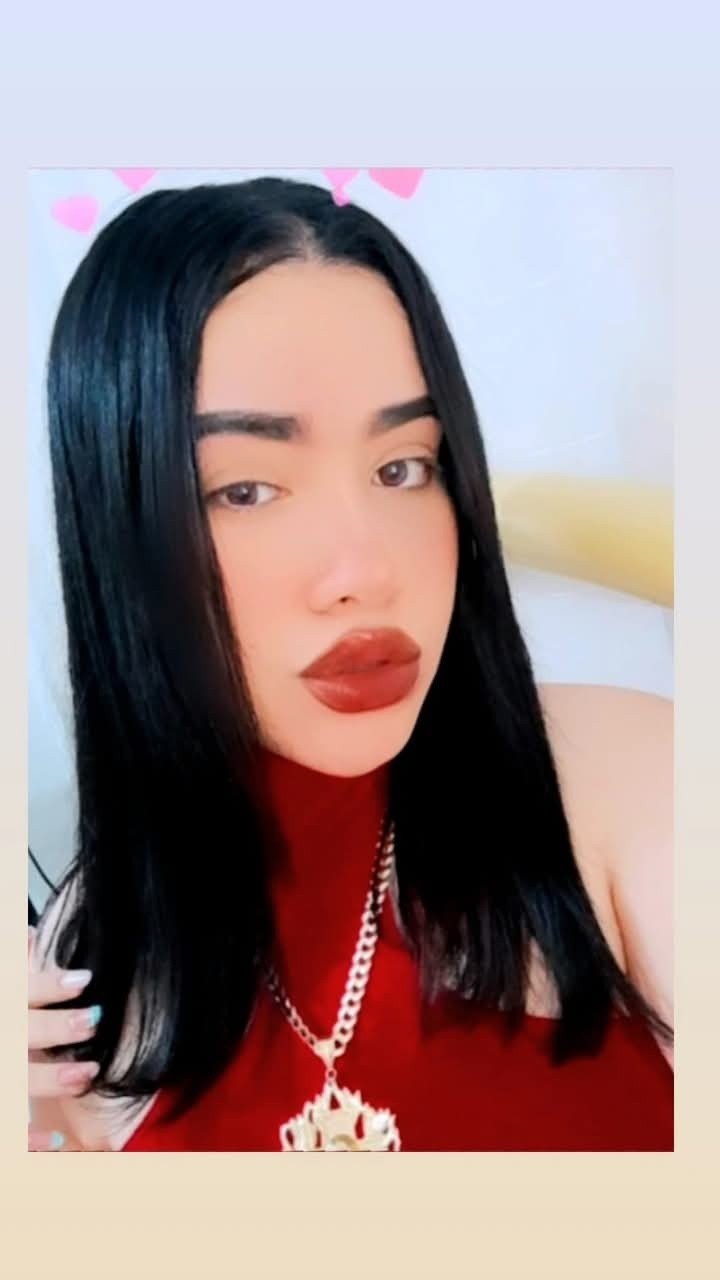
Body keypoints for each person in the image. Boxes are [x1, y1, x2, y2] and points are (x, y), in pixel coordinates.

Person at [28, 177, 673, 1152]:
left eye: (402, 467)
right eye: (246, 489)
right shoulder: (82, 962)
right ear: (122, 533)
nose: (367, 571)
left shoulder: (626, 778)